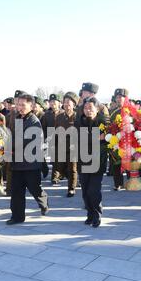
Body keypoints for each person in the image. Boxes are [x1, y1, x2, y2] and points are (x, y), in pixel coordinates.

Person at [7, 93, 49, 225]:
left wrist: (9, 145)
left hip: (31, 163)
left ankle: (43, 201)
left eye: (23, 105)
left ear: (31, 106)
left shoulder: (34, 121)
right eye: (18, 104)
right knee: (16, 191)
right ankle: (17, 216)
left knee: (34, 188)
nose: (20, 107)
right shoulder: (18, 118)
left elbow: (28, 141)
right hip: (18, 162)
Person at [75, 97, 109, 228]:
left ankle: (97, 215)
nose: (88, 110)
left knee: (94, 190)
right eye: (85, 108)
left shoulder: (104, 122)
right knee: (85, 191)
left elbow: (107, 139)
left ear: (97, 108)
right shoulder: (79, 121)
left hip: (98, 160)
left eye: (90, 108)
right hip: (82, 159)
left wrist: (98, 138)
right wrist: (96, 137)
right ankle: (89, 213)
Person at [55, 92, 79, 197]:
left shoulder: (77, 116)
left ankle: (71, 188)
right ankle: (72, 181)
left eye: (68, 103)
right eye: (65, 103)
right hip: (61, 146)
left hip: (74, 146)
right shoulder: (59, 116)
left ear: (74, 105)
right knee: (62, 167)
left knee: (73, 168)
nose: (66, 105)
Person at [41, 94, 64, 185]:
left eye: (54, 102)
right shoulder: (46, 115)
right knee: (55, 159)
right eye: (51, 102)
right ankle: (55, 177)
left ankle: (61, 173)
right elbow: (43, 128)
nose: (52, 103)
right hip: (51, 140)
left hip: (63, 139)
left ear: (59, 103)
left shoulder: (63, 113)